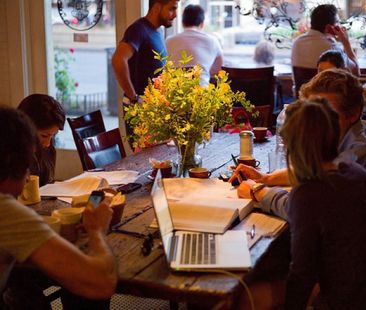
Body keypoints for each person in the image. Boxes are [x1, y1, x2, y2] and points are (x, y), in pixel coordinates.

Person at [230, 69, 366, 234]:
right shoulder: (360, 131)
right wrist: (266, 178)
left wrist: (258, 192)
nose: (313, 120)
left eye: (325, 111)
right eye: (310, 111)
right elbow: (317, 170)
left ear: (353, 113)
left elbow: (308, 212)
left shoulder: (358, 155)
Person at [280, 99, 366, 309]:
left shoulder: (307, 194)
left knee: (250, 294)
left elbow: (302, 275)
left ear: (294, 148)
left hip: (356, 301)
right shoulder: (353, 171)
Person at [0, 107, 117, 307]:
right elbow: (100, 282)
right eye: (28, 166)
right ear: (13, 164)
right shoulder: (7, 212)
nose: (29, 177)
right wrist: (97, 230)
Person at [112, 0, 179, 135]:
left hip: (153, 109)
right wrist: (134, 98)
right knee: (143, 155)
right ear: (156, 7)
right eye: (172, 9)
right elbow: (118, 60)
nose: (175, 14)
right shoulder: (138, 30)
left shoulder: (157, 31)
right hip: (140, 110)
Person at [291, 4, 358, 74]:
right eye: (337, 22)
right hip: (323, 85)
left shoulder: (297, 43)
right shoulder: (333, 48)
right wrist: (345, 42)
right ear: (328, 28)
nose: (339, 25)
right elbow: (355, 72)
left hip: (303, 85)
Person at [166, 4, 223, 86]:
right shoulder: (213, 41)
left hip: (173, 95)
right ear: (202, 24)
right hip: (201, 94)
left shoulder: (168, 41)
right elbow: (218, 71)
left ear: (182, 23)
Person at [17, 94, 65, 187]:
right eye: (44, 136)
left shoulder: (48, 150)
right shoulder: (8, 156)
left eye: (53, 136)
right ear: (25, 127)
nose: (48, 144)